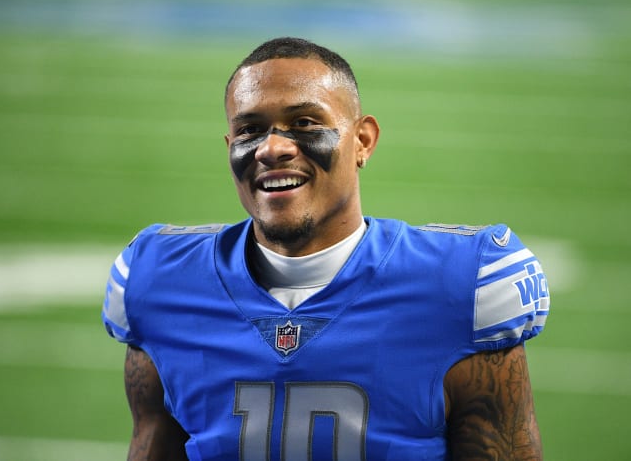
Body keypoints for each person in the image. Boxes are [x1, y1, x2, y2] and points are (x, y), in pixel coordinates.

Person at [102, 37, 550, 461]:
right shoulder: (159, 282)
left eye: (304, 123)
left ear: (363, 140)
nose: (272, 148)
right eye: (250, 129)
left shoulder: (459, 287)